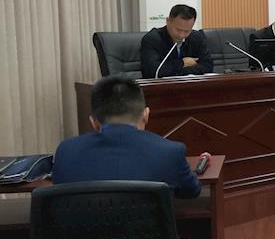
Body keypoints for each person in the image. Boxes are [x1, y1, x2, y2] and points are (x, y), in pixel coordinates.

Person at [52, 74, 201, 198]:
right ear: (146, 115)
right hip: (149, 226)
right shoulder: (170, 152)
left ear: (94, 123)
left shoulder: (66, 151)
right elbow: (192, 191)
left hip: (84, 226)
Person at [139, 4, 213, 78]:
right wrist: (182, 63)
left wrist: (177, 71)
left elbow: (208, 66)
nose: (181, 35)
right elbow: (153, 72)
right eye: (178, 30)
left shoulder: (197, 37)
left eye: (187, 31)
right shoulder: (152, 39)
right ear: (168, 21)